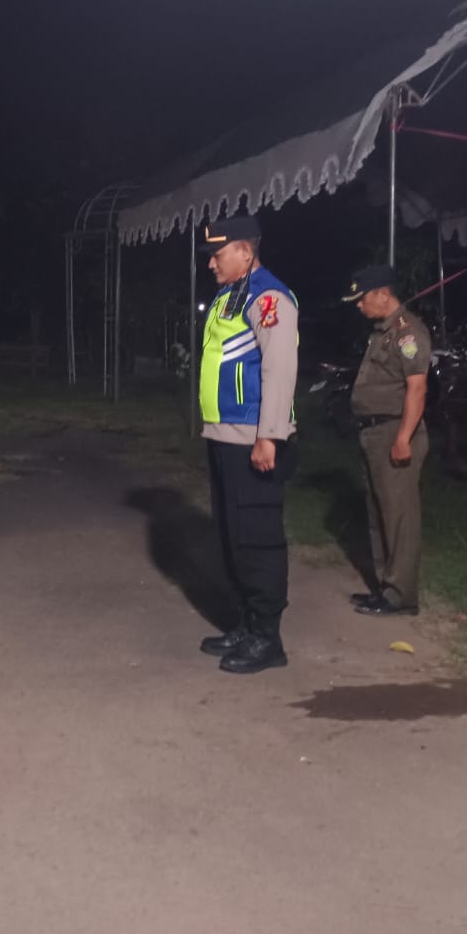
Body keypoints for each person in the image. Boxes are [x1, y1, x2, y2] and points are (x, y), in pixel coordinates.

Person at [194, 215, 300, 675]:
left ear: (245, 251)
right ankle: (247, 623)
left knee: (258, 539)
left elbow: (279, 368)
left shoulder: (269, 297)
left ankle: (268, 639)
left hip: (254, 440)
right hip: (225, 435)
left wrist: (268, 436)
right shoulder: (229, 295)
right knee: (232, 537)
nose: (211, 264)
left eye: (217, 255)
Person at [344, 264, 431, 617]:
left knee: (399, 516)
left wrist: (404, 438)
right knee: (379, 513)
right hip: (374, 432)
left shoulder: (408, 332)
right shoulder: (383, 332)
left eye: (361, 298)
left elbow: (417, 388)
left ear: (382, 294)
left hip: (395, 430)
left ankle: (400, 595)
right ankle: (385, 587)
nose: (358, 305)